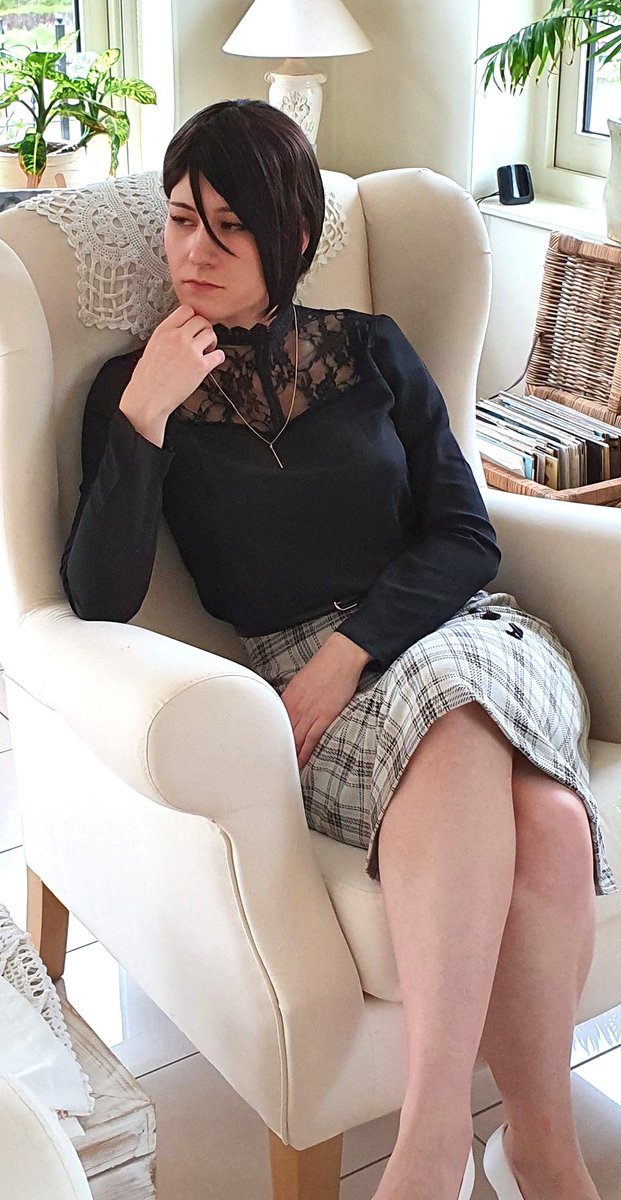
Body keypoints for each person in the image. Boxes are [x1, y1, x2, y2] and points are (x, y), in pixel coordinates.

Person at [60, 99, 616, 1200]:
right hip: (308, 679)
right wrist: (144, 419)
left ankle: (433, 1151)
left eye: (231, 227)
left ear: (297, 236)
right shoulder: (133, 390)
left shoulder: (370, 352)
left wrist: (352, 649)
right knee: (550, 824)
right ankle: (532, 1156)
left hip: (465, 631)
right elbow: (97, 598)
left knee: (458, 702)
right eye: (180, 220)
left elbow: (466, 536)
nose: (194, 252)